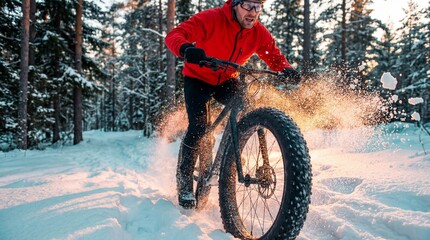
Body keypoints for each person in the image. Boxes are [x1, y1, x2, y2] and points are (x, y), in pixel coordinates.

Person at [165, 0, 301, 209]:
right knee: (199, 126)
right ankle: (184, 182)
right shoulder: (211, 19)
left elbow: (273, 56)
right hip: (198, 77)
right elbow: (174, 36)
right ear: (235, 4)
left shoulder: (258, 32)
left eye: (257, 7)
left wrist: (286, 69)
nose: (253, 13)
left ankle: (231, 155)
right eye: (248, 6)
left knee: (247, 109)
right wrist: (186, 49)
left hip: (227, 79)